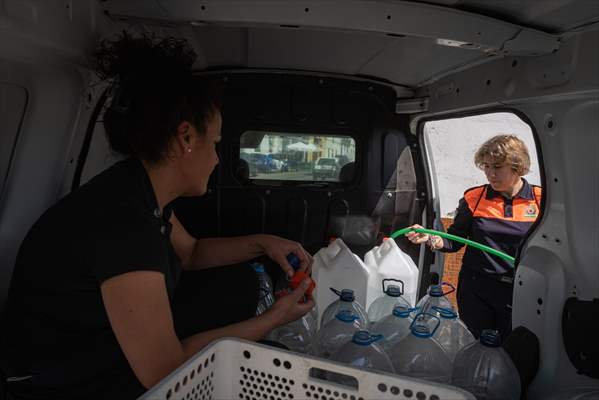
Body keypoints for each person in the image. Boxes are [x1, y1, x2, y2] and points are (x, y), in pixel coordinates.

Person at [0, 33, 314, 399]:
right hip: (57, 384)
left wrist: (265, 243)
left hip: (93, 350)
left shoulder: (135, 189)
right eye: (214, 143)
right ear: (185, 137)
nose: (216, 159)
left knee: (238, 286)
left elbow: (192, 252)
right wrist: (274, 318)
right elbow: (164, 370)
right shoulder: (123, 223)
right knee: (266, 360)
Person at [406, 135, 542, 341]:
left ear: (517, 166)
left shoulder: (541, 199)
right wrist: (430, 238)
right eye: (486, 166)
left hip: (519, 288)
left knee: (512, 346)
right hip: (476, 288)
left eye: (497, 166)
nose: (490, 174)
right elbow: (454, 240)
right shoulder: (474, 198)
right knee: (475, 344)